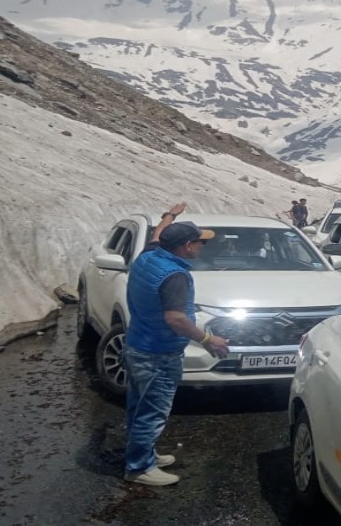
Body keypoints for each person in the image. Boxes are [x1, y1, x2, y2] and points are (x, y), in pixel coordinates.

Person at [122, 203, 230, 487]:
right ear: (186, 246)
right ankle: (139, 468)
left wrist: (169, 217)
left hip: (137, 345)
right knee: (153, 410)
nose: (202, 246)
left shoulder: (149, 257)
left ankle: (143, 453)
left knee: (138, 405)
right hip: (159, 352)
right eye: (199, 242)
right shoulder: (175, 276)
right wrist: (209, 340)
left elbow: (157, 235)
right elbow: (175, 318)